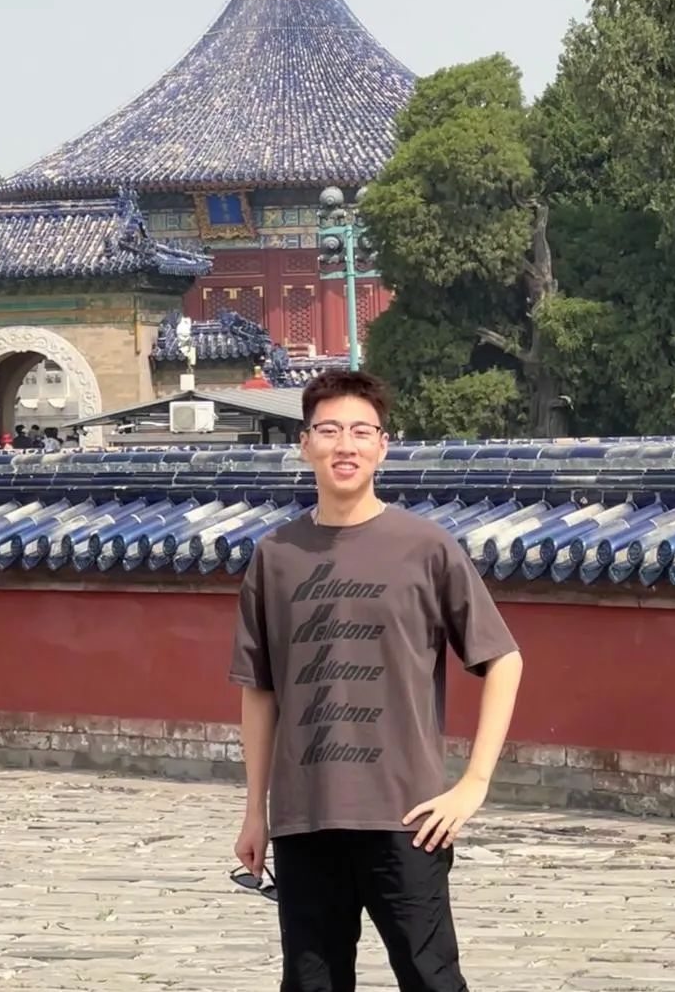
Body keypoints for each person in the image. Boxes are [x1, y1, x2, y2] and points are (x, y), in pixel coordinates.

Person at [229, 369, 522, 992]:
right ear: (304, 444)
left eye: (362, 432)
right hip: (305, 818)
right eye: (329, 430)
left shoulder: (426, 548)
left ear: (383, 446)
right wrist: (255, 812)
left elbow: (503, 659)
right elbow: (260, 690)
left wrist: (473, 784)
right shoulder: (276, 555)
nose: (346, 445)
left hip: (407, 817)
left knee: (432, 980)